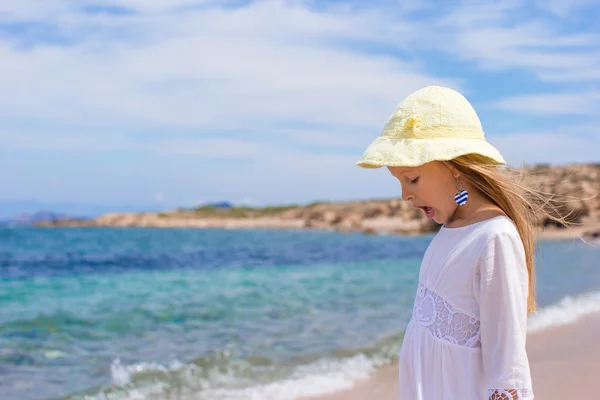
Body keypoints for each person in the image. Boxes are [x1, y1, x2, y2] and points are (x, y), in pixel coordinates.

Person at [356, 86, 570, 399]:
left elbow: (507, 367)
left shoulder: (494, 239)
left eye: (412, 179)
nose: (405, 195)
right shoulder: (450, 231)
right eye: (399, 181)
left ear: (454, 169)